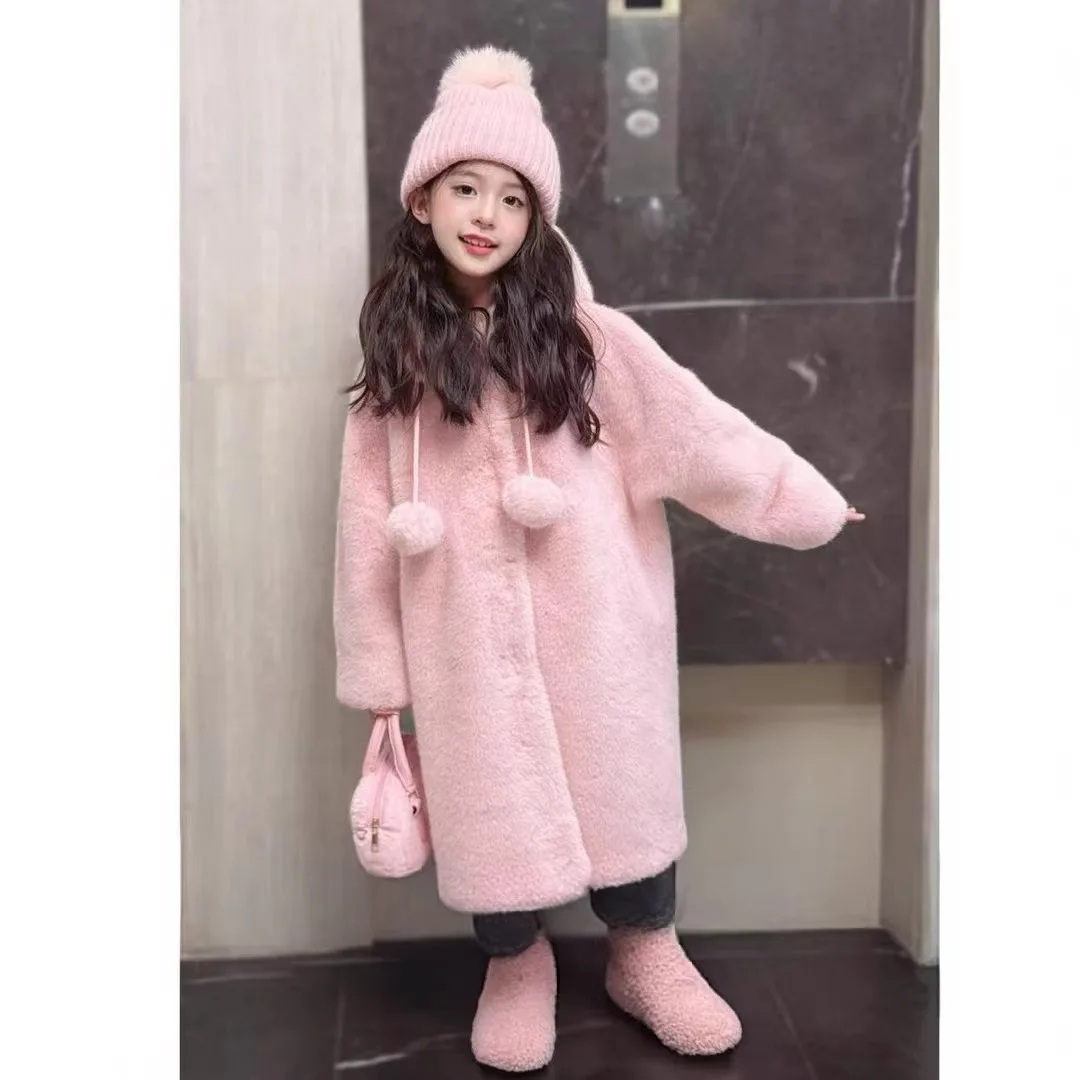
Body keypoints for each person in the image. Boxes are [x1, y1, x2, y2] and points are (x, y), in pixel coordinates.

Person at [334, 44, 865, 1073]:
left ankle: (646, 954)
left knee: (626, 793)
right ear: (423, 200)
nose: (486, 215)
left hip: (600, 627)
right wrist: (379, 677)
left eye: (512, 199)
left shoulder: (593, 345)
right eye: (465, 188)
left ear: (537, 220)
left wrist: (800, 500)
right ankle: (515, 964)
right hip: (460, 644)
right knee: (490, 812)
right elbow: (362, 525)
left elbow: (699, 436)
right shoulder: (395, 369)